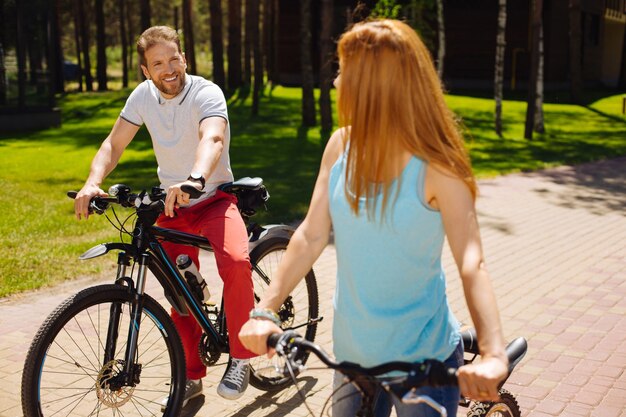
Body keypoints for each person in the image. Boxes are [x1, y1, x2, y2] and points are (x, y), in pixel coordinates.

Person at [239, 19, 509, 417]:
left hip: (424, 361)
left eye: (343, 72)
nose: (334, 84)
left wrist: (492, 352)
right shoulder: (339, 147)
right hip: (353, 355)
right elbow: (311, 235)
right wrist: (265, 309)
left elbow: (472, 263)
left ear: (373, 85)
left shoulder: (438, 166)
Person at [74, 26, 254, 407]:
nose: (168, 69)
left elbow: (213, 138)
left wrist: (195, 178)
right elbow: (113, 143)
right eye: (158, 63)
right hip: (171, 206)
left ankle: (242, 356)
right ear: (146, 70)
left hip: (212, 198)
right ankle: (191, 375)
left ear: (184, 59)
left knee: (237, 261)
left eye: (174, 59)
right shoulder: (143, 96)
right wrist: (93, 182)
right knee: (179, 292)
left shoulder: (206, 92)